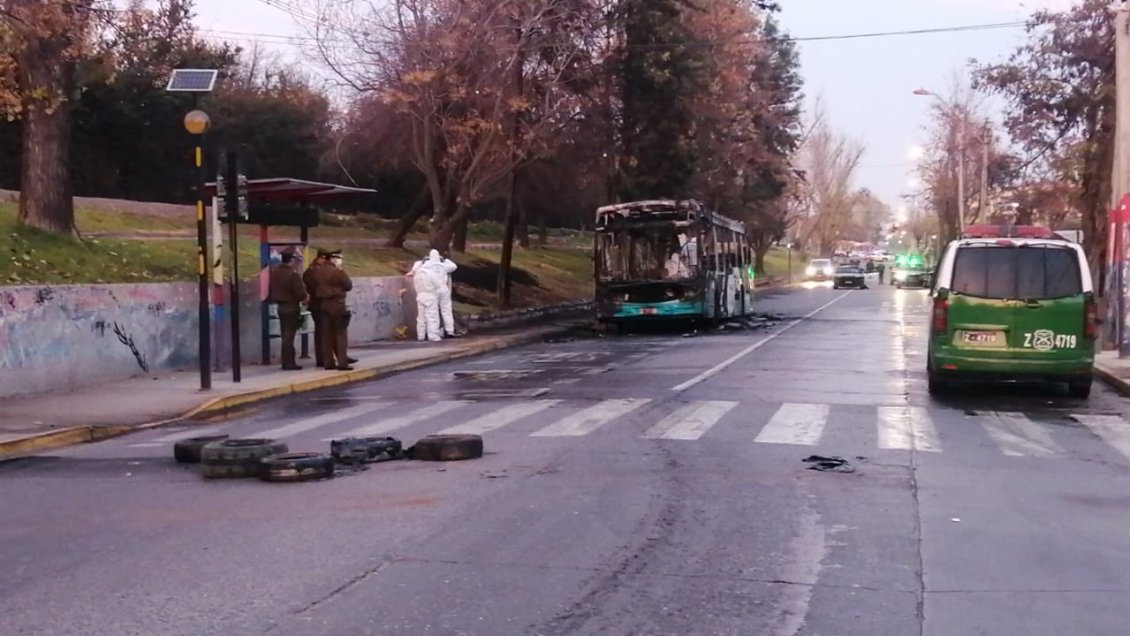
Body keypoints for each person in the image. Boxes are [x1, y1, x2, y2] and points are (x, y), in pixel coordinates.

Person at [268, 248, 309, 371]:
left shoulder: (275, 272)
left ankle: (286, 361)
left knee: (285, 335)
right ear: (291, 260)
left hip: (280, 307)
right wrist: (306, 299)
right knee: (289, 336)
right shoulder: (293, 275)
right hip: (291, 307)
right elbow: (301, 294)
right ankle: (289, 362)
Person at [313, 250, 354, 370]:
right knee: (340, 333)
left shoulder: (317, 271)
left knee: (326, 334)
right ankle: (342, 363)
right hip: (337, 303)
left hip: (323, 303)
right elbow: (348, 285)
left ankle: (328, 363)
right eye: (338, 258)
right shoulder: (337, 272)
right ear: (333, 259)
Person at [407, 250, 445, 342]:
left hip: (420, 296)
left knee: (421, 317)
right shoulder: (431, 273)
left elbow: (414, 285)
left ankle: (421, 336)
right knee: (431, 316)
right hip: (430, 296)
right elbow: (438, 285)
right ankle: (432, 336)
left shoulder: (417, 274)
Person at [302, 250, 328, 368]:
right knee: (321, 332)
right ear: (318, 258)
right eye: (322, 259)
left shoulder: (313, 271)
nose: (323, 261)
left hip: (319, 304)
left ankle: (324, 357)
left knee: (323, 331)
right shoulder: (312, 271)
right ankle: (322, 358)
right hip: (318, 304)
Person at [433, 251, 459, 337]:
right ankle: (450, 331)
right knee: (446, 310)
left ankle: (434, 331)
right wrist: (446, 260)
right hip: (444, 289)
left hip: (433, 290)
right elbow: (454, 266)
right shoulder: (444, 265)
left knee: (433, 311)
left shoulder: (427, 266)